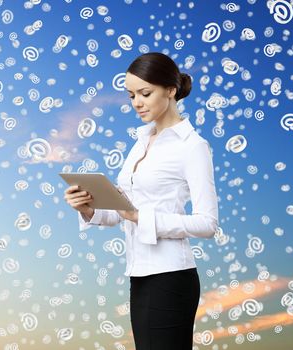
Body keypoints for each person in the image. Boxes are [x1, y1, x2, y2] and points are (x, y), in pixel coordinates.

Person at [63, 52, 219, 349]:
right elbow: (126, 210)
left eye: (145, 93)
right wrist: (89, 209)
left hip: (172, 277)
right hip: (140, 274)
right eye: (131, 95)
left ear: (171, 90)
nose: (136, 102)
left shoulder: (193, 147)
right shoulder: (141, 143)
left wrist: (141, 217)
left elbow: (207, 223)